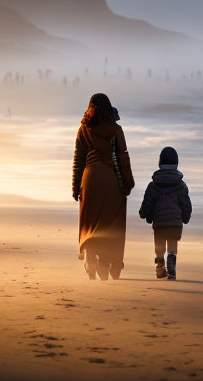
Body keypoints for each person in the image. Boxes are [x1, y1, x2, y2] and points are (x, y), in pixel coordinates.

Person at [72, 93, 134, 280]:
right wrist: (128, 183)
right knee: (111, 224)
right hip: (111, 181)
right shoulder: (116, 130)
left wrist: (76, 187)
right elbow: (122, 157)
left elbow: (79, 160)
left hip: (89, 180)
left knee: (91, 224)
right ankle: (106, 263)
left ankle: (90, 258)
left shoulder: (83, 129)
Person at [138, 146, 192, 280]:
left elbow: (148, 202)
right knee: (172, 243)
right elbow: (186, 204)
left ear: (160, 163)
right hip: (175, 221)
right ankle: (172, 261)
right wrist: (185, 217)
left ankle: (160, 264)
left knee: (159, 244)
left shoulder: (153, 185)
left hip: (160, 221)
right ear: (176, 163)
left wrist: (144, 214)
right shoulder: (181, 185)